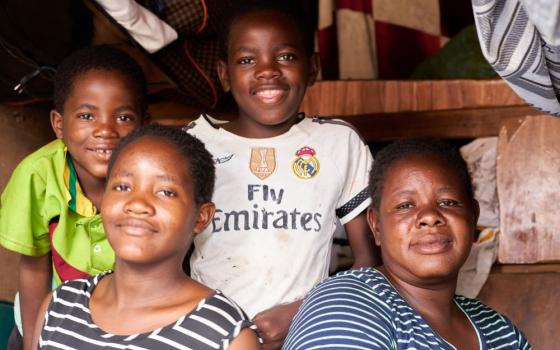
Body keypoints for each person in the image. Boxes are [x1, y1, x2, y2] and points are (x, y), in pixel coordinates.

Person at [184, 2, 379, 348]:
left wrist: (304, 311)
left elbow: (367, 260)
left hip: (308, 332)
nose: (267, 71)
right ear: (224, 74)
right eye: (247, 60)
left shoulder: (337, 143)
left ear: (313, 67)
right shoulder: (192, 144)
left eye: (286, 56)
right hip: (204, 333)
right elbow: (165, 258)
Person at [283, 139, 532, 350]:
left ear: (473, 217)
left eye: (448, 202)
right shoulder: (345, 305)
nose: (429, 216)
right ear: (376, 226)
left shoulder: (500, 332)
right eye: (405, 206)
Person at [32, 124, 261, 350]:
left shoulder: (225, 336)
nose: (138, 204)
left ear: (201, 217)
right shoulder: (58, 306)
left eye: (165, 192)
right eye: (122, 187)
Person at [0, 45, 146, 349]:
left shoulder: (154, 177)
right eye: (86, 115)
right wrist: (33, 342)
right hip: (48, 319)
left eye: (123, 117)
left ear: (144, 123)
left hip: (131, 324)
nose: (105, 130)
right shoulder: (38, 175)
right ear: (59, 124)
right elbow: (34, 266)